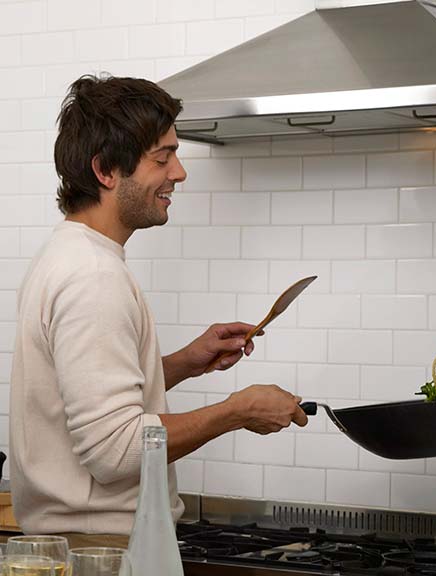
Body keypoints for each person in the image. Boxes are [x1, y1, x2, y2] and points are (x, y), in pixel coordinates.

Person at [9, 75, 308, 547]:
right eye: (162, 157)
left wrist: (182, 363)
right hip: (102, 551)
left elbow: (84, 401)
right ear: (107, 170)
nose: (180, 172)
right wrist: (237, 410)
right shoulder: (92, 275)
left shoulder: (69, 255)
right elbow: (116, 450)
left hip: (87, 544)